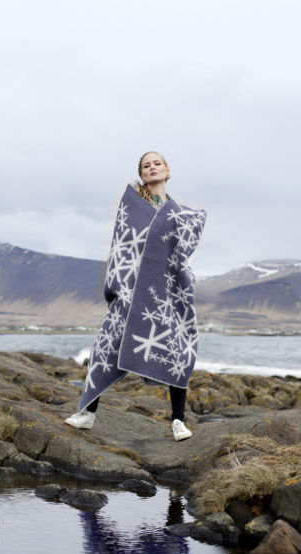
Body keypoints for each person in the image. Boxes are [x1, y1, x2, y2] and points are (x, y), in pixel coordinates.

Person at [65, 151, 207, 441]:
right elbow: (122, 246)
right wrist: (120, 285)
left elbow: (180, 252)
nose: (152, 168)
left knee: (177, 350)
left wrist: (185, 276)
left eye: (157, 164)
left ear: (168, 170)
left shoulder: (179, 214)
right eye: (146, 165)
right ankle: (87, 414)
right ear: (142, 174)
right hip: (130, 290)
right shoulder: (133, 206)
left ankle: (178, 421)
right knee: (105, 348)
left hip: (164, 294)